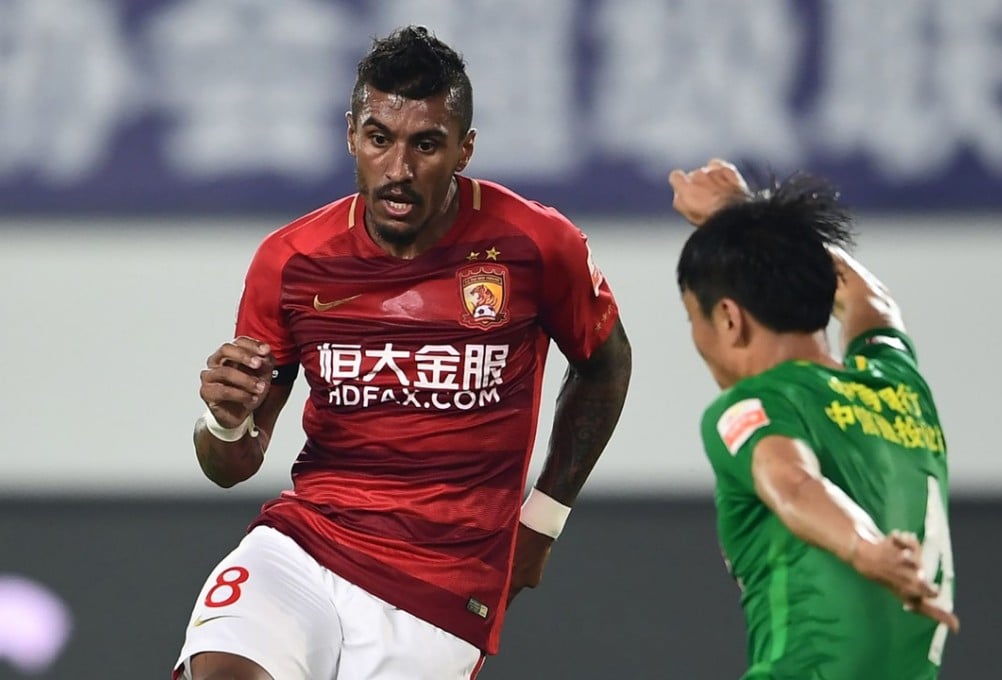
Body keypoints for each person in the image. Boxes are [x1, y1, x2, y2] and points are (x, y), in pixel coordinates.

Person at [173, 25, 631, 680]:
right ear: (351, 136)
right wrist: (224, 422)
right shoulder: (292, 260)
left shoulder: (535, 245)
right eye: (379, 138)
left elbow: (606, 363)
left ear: (465, 148)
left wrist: (543, 521)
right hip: (307, 542)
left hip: (441, 585)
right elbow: (232, 466)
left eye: (427, 145)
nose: (399, 170)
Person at [669, 160, 959, 679]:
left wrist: (865, 549)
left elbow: (792, 482)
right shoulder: (899, 384)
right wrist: (747, 220)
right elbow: (870, 297)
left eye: (694, 317)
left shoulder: (753, 405)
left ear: (729, 319)